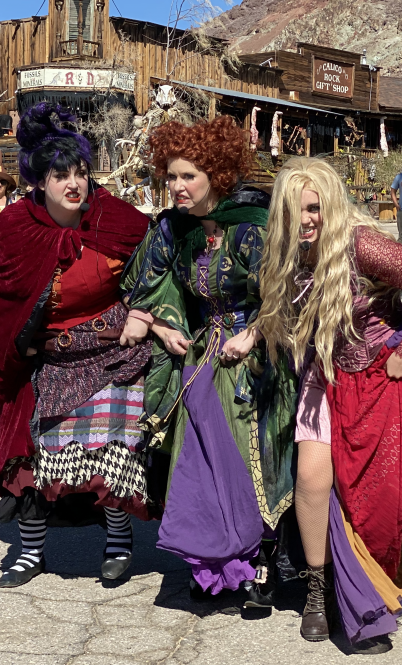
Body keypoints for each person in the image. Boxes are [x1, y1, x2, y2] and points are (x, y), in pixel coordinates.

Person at [255, 157, 402, 653]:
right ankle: (317, 590)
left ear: (330, 202)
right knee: (312, 478)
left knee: (390, 495)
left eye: (313, 208)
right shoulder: (286, 253)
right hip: (325, 376)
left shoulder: (362, 244)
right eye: (294, 212)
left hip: (382, 375)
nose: (305, 220)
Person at [0, 102, 152, 586]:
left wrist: (143, 310)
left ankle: (118, 537)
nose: (74, 184)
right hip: (50, 359)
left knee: (114, 448)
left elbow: (158, 261)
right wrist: (17, 344)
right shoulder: (12, 230)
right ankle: (31, 551)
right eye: (60, 175)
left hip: (115, 352)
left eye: (81, 173)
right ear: (40, 181)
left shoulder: (113, 217)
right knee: (33, 457)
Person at [122, 116, 295, 607]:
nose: (176, 186)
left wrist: (254, 333)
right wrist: (159, 324)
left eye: (188, 176)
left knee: (249, 458)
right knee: (196, 461)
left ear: (216, 175)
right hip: (200, 358)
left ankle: (260, 564)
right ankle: (212, 565)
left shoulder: (253, 225)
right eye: (171, 176)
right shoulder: (171, 229)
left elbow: (285, 294)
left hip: (255, 357)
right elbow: (141, 286)